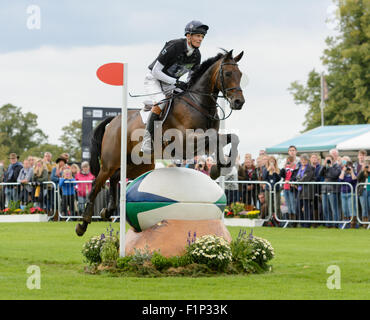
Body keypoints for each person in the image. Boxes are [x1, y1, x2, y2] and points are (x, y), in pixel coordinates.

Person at [141, 20, 209, 154]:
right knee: (161, 102)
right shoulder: (174, 46)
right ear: (188, 36)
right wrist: (176, 82)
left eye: (202, 37)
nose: (200, 39)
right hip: (154, 80)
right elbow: (155, 71)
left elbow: (191, 78)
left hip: (170, 83)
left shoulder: (197, 55)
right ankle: (147, 140)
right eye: (197, 35)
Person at [319, 155, 341, 228]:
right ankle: (328, 224)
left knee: (334, 208)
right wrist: (324, 166)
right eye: (326, 160)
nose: (328, 161)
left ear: (332, 160)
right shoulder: (325, 167)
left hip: (333, 189)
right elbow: (320, 174)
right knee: (325, 207)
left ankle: (336, 224)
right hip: (324, 189)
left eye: (329, 160)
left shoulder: (336, 166)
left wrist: (331, 166)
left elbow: (335, 175)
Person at [295, 154, 315, 228]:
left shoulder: (310, 168)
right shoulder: (299, 168)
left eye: (305, 160)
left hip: (307, 191)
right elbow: (296, 177)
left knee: (306, 208)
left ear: (307, 160)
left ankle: (307, 224)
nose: (303, 161)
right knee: (298, 207)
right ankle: (302, 222)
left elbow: (305, 179)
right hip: (299, 190)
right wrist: (295, 182)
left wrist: (296, 182)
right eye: (302, 160)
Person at [339, 158, 357, 228]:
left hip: (351, 193)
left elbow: (354, 180)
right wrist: (343, 171)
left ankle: (353, 224)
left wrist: (351, 172)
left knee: (351, 209)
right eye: (347, 166)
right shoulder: (343, 173)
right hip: (343, 193)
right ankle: (346, 223)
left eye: (350, 166)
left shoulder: (354, 173)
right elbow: (340, 180)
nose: (348, 168)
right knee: (344, 209)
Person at [280, 156, 298, 223]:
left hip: (292, 188)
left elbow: (295, 176)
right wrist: (283, 167)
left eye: (291, 160)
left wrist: (290, 180)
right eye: (288, 160)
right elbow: (281, 175)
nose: (289, 162)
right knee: (288, 205)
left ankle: (294, 221)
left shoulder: (296, 167)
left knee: (293, 204)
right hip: (285, 187)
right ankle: (290, 221)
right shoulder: (286, 168)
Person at [310, 153, 323, 225]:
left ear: (318, 159)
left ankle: (318, 221)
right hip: (310, 189)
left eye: (315, 157)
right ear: (310, 159)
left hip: (319, 189)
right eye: (312, 157)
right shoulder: (308, 167)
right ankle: (313, 221)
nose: (314, 159)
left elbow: (319, 177)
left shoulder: (320, 167)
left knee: (319, 206)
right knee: (312, 206)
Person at [357, 161, 369, 225]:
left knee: (368, 206)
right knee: (364, 207)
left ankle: (368, 221)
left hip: (368, 190)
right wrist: (362, 170)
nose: (366, 167)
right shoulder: (361, 172)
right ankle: (365, 223)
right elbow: (358, 178)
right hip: (362, 190)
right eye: (365, 165)